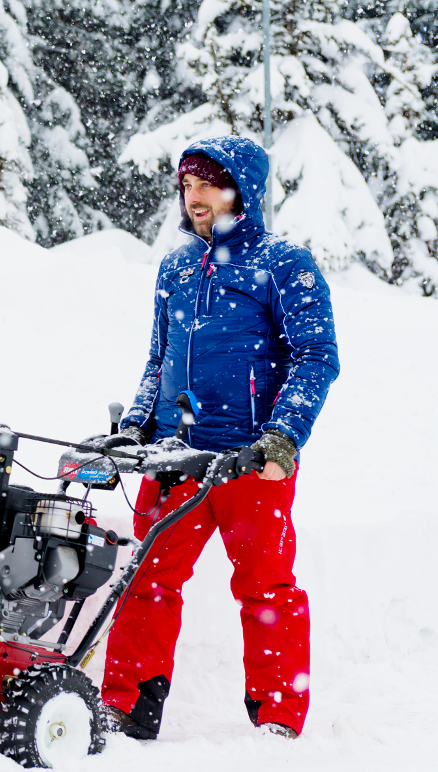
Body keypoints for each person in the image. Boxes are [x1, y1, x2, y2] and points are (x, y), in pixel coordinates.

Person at [101, 136, 339, 741]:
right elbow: (159, 361)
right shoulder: (177, 267)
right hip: (177, 456)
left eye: (208, 182)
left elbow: (317, 357)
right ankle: (129, 705)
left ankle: (279, 714)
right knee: (147, 579)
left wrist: (283, 437)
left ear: (244, 189)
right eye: (186, 184)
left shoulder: (285, 265)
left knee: (266, 587)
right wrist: (136, 424)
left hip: (250, 460)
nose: (194, 195)